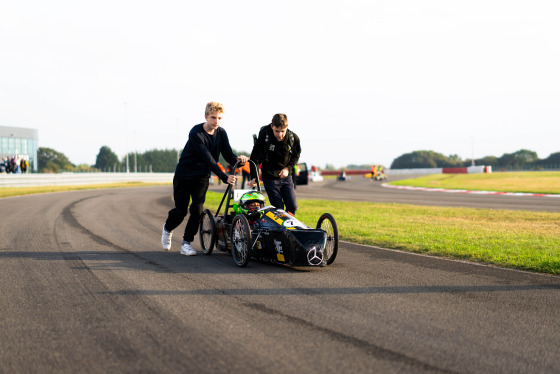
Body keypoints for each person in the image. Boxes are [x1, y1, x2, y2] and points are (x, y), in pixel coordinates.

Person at [161, 101, 248, 256]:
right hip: (184, 175)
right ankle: (168, 228)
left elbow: (228, 155)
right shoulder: (196, 133)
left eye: (220, 118)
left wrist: (239, 161)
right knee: (181, 211)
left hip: (202, 176)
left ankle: (186, 243)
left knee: (198, 209)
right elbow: (208, 159)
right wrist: (223, 176)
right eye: (213, 117)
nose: (216, 121)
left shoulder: (221, 133)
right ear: (206, 117)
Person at [250, 113, 301, 215]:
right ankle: (281, 230)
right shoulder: (265, 135)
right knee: (278, 208)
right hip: (270, 176)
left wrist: (288, 169)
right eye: (277, 131)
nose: (280, 135)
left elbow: (296, 156)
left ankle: (287, 226)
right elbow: (255, 157)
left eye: (282, 131)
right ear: (272, 126)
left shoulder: (292, 138)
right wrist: (254, 176)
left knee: (292, 207)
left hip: (286, 176)